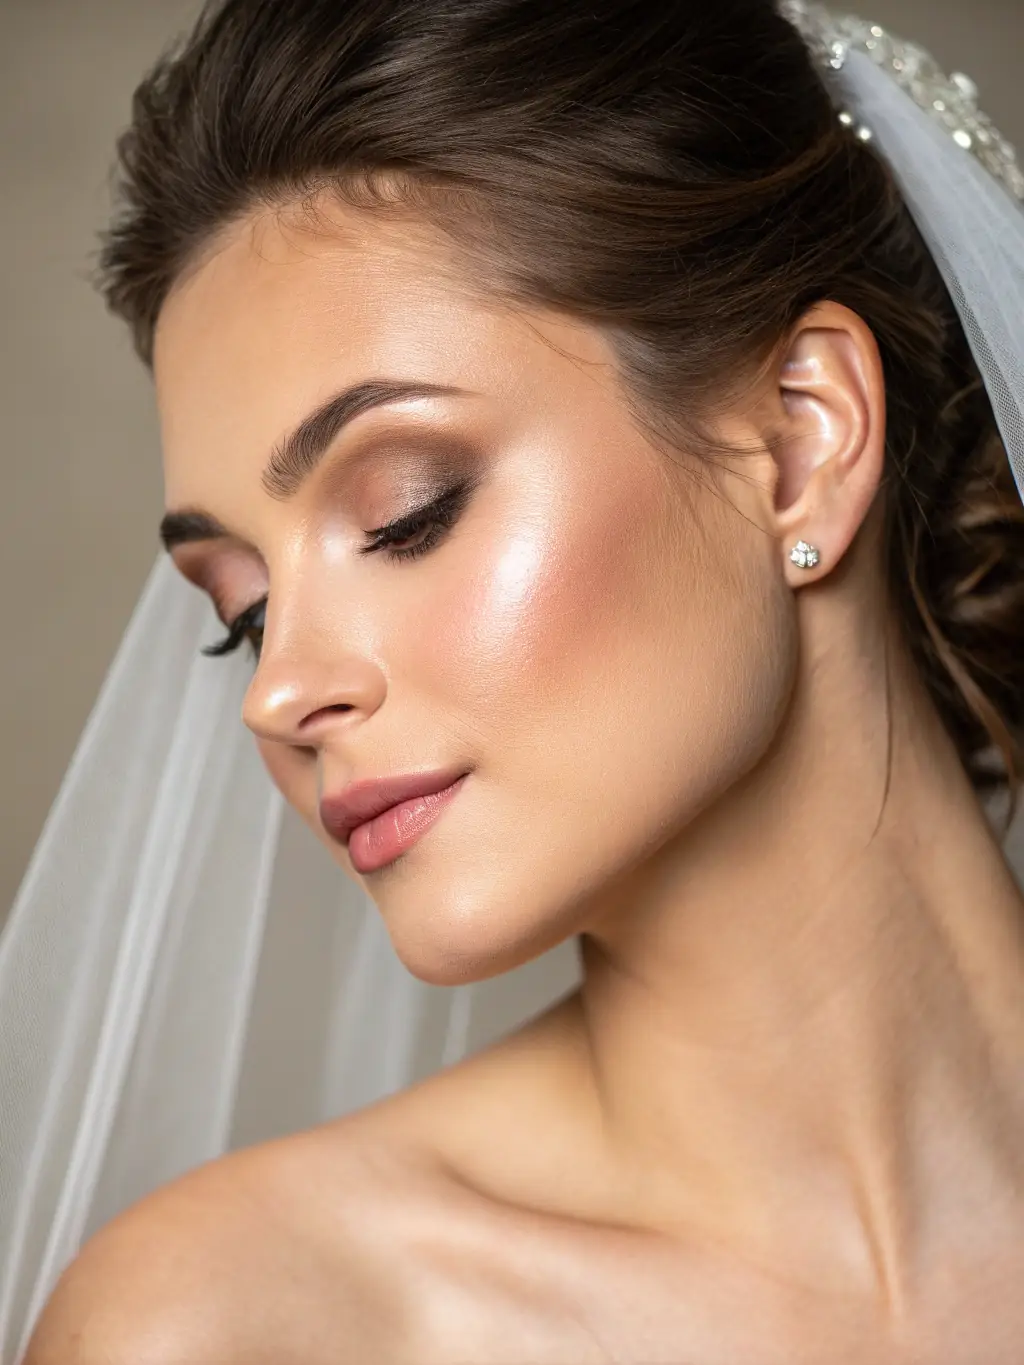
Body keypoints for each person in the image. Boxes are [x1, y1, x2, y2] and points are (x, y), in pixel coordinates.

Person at [13, 0, 1024, 1359]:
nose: (277, 695)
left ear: (798, 443)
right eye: (241, 615)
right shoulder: (239, 1326)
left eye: (407, 513)